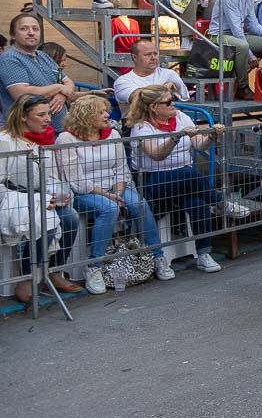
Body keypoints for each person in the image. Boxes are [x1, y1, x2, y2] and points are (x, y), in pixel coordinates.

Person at [55, 95, 171, 294]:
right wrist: (109, 196)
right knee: (109, 209)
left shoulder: (113, 134)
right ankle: (95, 266)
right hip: (83, 192)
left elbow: (121, 169)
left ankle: (157, 256)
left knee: (139, 204)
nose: (107, 115)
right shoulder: (66, 139)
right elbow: (76, 181)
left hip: (116, 187)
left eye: (106, 111)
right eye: (101, 112)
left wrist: (117, 192)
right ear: (85, 115)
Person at [0, 94, 82, 302]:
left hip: (40, 196)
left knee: (70, 217)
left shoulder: (44, 140)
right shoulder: (5, 141)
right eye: (41, 115)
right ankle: (28, 277)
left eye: (49, 114)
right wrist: (39, 201)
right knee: (44, 221)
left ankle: (54, 271)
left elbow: (52, 177)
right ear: (23, 117)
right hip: (11, 197)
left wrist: (55, 196)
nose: (48, 119)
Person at [0, 14, 74, 131]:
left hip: (57, 130)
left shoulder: (44, 56)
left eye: (35, 29)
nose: (31, 33)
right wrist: (59, 88)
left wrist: (63, 95)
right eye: (24, 29)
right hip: (29, 134)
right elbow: (21, 93)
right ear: (13, 35)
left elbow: (66, 80)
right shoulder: (10, 59)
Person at [214, 0, 262, 98]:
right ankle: (242, 86)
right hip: (219, 35)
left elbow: (253, 25)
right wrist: (251, 56)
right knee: (243, 46)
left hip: (237, 35)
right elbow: (236, 30)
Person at [113, 40, 190, 110]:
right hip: (138, 120)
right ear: (135, 58)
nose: (153, 58)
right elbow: (141, 98)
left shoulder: (169, 74)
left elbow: (185, 98)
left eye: (155, 54)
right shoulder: (123, 81)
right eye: (148, 55)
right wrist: (164, 89)